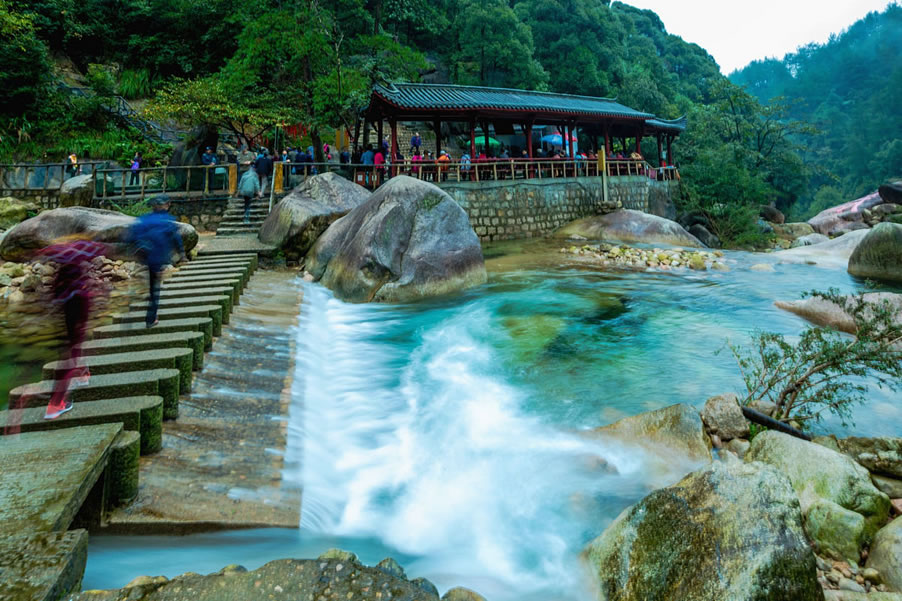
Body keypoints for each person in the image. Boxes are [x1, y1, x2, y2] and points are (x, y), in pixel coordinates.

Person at [36, 237, 108, 420]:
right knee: (71, 354)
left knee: (74, 344)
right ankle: (56, 404)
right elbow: (82, 299)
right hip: (77, 310)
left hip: (67, 313)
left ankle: (83, 373)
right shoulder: (76, 273)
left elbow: (55, 297)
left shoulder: (62, 273)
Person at [127, 195, 186, 328]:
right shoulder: (167, 220)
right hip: (157, 258)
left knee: (150, 284)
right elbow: (176, 238)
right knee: (155, 288)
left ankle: (138, 301)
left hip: (144, 256)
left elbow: (132, 236)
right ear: (165, 205)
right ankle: (151, 318)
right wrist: (182, 254)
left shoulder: (144, 219)